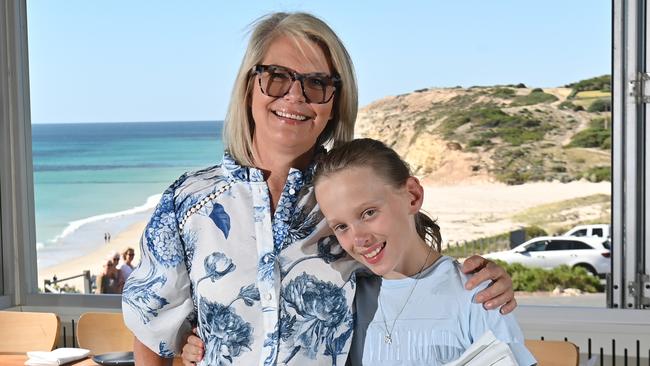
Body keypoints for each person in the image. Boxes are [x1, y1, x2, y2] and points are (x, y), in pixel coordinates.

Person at [123, 12, 516, 365]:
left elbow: (417, 261)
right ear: (249, 87)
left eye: (316, 84)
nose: (294, 96)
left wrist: (484, 285)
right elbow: (151, 328)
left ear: (334, 104)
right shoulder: (188, 203)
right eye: (276, 77)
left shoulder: (347, 197)